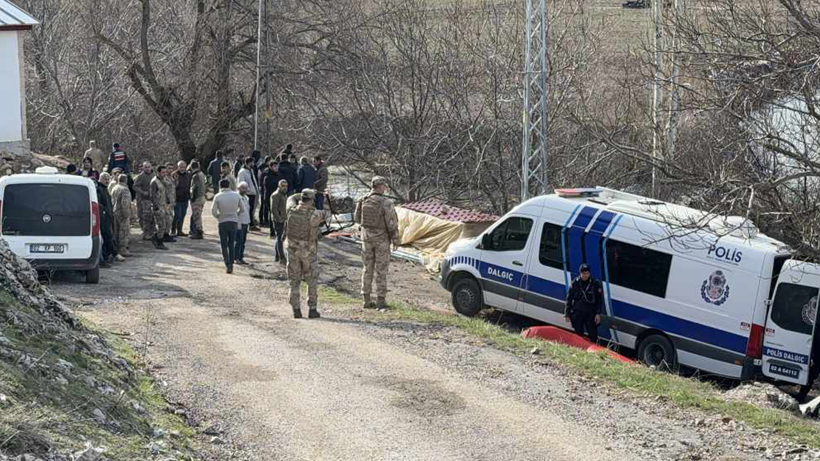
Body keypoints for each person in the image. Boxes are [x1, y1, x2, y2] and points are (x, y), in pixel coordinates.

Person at [354, 176, 400, 309]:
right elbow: (391, 223)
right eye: (384, 186)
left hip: (366, 239)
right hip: (381, 240)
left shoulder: (363, 200)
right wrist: (395, 238)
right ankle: (380, 300)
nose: (385, 188)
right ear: (381, 186)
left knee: (367, 268)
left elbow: (357, 218)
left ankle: (366, 299)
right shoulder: (386, 202)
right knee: (381, 270)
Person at [285, 189, 332, 319]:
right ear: (312, 200)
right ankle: (312, 309)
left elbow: (290, 197)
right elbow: (328, 213)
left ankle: (296, 310)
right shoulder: (315, 215)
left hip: (293, 251)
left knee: (294, 281)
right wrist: (325, 197)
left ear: (301, 198)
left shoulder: (290, 210)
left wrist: (302, 194)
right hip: (308, 253)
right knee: (312, 281)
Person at [564, 264, 604, 343]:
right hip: (578, 312)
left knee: (593, 335)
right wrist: (567, 314)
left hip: (590, 313)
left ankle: (593, 347)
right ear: (580, 273)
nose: (585, 275)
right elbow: (569, 299)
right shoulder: (575, 283)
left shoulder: (595, 283)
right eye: (583, 273)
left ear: (589, 273)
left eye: (587, 273)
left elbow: (599, 300)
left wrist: (598, 314)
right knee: (579, 335)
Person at [211, 179, 242, 273]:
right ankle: (231, 263)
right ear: (229, 185)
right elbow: (242, 209)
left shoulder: (218, 196)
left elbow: (213, 211)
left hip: (223, 221)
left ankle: (227, 263)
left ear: (220, 186)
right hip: (233, 221)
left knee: (223, 244)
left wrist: (218, 216)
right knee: (231, 243)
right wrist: (236, 214)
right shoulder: (236, 195)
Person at [96, 173, 121, 265]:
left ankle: (109, 255)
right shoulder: (99, 189)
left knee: (108, 236)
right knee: (106, 236)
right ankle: (110, 255)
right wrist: (104, 213)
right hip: (103, 219)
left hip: (108, 217)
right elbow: (99, 205)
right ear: (100, 179)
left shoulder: (105, 189)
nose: (107, 181)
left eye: (108, 179)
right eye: (105, 179)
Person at [111, 174, 132, 257]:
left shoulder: (115, 188)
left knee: (116, 230)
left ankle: (116, 248)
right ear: (126, 180)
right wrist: (126, 214)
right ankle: (123, 249)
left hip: (115, 211)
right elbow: (125, 203)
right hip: (122, 213)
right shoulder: (125, 189)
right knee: (124, 231)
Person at [150, 165, 171, 248]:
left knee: (166, 222)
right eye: (163, 172)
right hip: (158, 206)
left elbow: (164, 191)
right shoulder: (154, 182)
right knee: (161, 225)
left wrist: (168, 200)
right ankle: (159, 242)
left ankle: (156, 238)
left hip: (163, 205)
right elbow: (152, 196)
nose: (164, 174)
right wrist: (156, 207)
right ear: (158, 172)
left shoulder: (163, 180)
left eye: (165, 172)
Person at [134, 162, 155, 241]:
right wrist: (142, 192)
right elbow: (135, 186)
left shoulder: (154, 175)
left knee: (152, 217)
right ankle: (145, 233)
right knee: (144, 217)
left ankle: (152, 232)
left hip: (153, 199)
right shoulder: (140, 176)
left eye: (149, 167)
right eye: (146, 167)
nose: (147, 169)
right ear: (143, 168)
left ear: (151, 167)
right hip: (143, 200)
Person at [237, 157, 260, 230]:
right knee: (247, 209)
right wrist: (246, 191)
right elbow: (241, 183)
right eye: (252, 162)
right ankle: (249, 225)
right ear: (249, 162)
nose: (253, 164)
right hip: (247, 193)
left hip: (253, 192)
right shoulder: (242, 172)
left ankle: (251, 223)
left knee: (252, 209)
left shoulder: (251, 170)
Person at [270, 179, 289, 263]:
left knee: (279, 238)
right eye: (283, 186)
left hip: (283, 219)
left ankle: (277, 256)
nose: (285, 187)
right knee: (280, 238)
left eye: (286, 186)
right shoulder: (276, 195)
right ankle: (282, 257)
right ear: (279, 186)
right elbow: (273, 209)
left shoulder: (283, 194)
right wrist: (279, 219)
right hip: (278, 220)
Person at [172, 160, 191, 236]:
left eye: (183, 167)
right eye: (180, 167)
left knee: (183, 215)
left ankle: (179, 231)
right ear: (178, 167)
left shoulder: (188, 175)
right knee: (177, 215)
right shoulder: (174, 174)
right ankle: (173, 230)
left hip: (185, 198)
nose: (182, 168)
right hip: (177, 199)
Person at [189, 160, 207, 240]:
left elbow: (195, 188)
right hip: (202, 196)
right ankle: (196, 230)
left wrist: (193, 198)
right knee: (198, 215)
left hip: (197, 197)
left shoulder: (195, 176)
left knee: (197, 216)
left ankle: (199, 232)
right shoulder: (201, 174)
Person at [235, 182, 251, 265]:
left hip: (245, 222)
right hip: (239, 222)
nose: (244, 190)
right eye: (242, 188)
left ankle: (241, 257)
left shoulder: (246, 198)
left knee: (243, 242)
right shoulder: (236, 197)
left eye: (245, 188)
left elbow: (247, 211)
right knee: (239, 241)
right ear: (238, 188)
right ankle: (236, 258)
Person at [163, 162, 177, 242]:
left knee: (170, 218)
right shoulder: (164, 178)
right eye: (169, 168)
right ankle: (164, 234)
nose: (171, 170)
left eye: (172, 168)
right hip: (166, 201)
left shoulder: (171, 178)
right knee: (167, 218)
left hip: (172, 201)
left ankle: (167, 233)